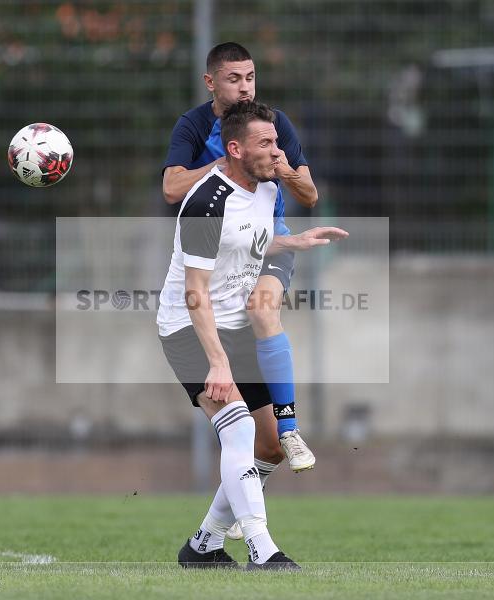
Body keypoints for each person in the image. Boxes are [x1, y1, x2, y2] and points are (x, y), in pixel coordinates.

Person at [158, 101, 347, 569]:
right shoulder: (205, 202)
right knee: (239, 428)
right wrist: (219, 363)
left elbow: (248, 240)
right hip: (190, 330)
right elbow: (194, 294)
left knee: (269, 447)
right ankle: (265, 552)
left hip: (235, 330)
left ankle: (202, 545)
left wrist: (293, 242)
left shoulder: (265, 189)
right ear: (236, 149)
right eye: (267, 143)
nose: (278, 151)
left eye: (277, 141)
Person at [163, 42, 318, 475]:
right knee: (256, 442)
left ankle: (290, 426)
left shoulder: (274, 124)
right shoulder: (193, 126)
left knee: (262, 308)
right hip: (225, 251)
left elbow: (309, 194)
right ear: (211, 82)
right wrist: (228, 165)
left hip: (270, 242)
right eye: (234, 79)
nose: (245, 88)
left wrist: (282, 167)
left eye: (250, 77)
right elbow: (172, 188)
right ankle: (223, 520)